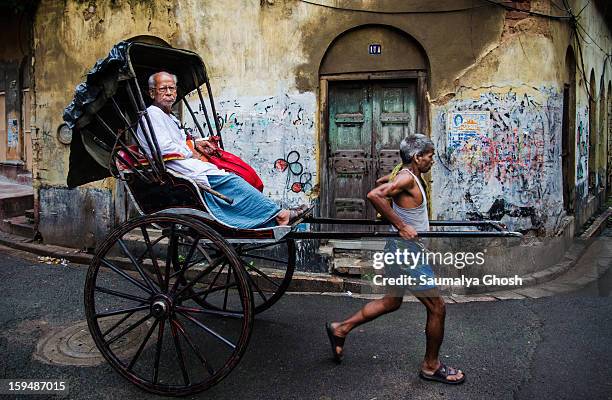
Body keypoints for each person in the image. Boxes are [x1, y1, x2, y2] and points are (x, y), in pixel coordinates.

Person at [325, 134, 465, 385]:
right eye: (430, 156)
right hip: (405, 252)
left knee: (391, 301)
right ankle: (431, 366)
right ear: (417, 157)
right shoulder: (405, 177)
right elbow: (374, 194)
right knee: (437, 307)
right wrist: (401, 225)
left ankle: (340, 328)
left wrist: (391, 184)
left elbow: (386, 182)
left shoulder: (405, 174)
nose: (432, 160)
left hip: (397, 249)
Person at [137, 71, 308, 228]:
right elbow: (164, 148)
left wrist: (196, 143)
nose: (169, 92)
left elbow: (181, 141)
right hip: (175, 168)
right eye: (163, 89)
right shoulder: (152, 115)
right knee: (234, 182)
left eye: (172, 88)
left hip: (187, 164)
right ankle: (280, 215)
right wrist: (191, 148)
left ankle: (270, 217)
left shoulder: (168, 116)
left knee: (239, 174)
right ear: (152, 93)